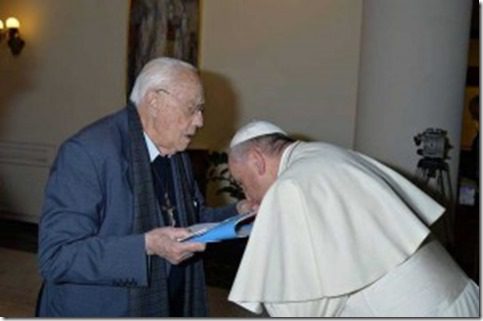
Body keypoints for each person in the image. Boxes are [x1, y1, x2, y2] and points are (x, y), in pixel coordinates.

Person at [36, 57, 252, 317]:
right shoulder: (87, 153)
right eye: (192, 108)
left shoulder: (175, 153)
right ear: (154, 101)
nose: (200, 121)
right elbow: (57, 257)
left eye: (201, 109)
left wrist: (240, 211)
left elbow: (191, 221)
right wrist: (147, 246)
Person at [226, 120, 480, 317]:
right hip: (458, 297)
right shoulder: (323, 155)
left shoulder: (291, 186)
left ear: (257, 161)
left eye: (241, 183)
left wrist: (268, 235)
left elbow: (299, 309)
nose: (247, 195)